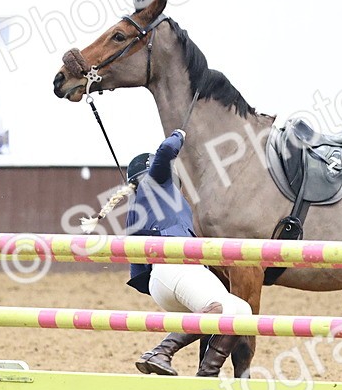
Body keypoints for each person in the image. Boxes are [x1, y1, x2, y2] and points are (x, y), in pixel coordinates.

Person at [92, 128, 251, 377]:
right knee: (223, 309)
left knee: (242, 312)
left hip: (164, 282)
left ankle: (207, 371)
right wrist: (180, 133)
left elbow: (140, 272)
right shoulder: (157, 184)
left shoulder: (139, 208)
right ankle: (161, 352)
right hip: (176, 269)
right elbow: (166, 150)